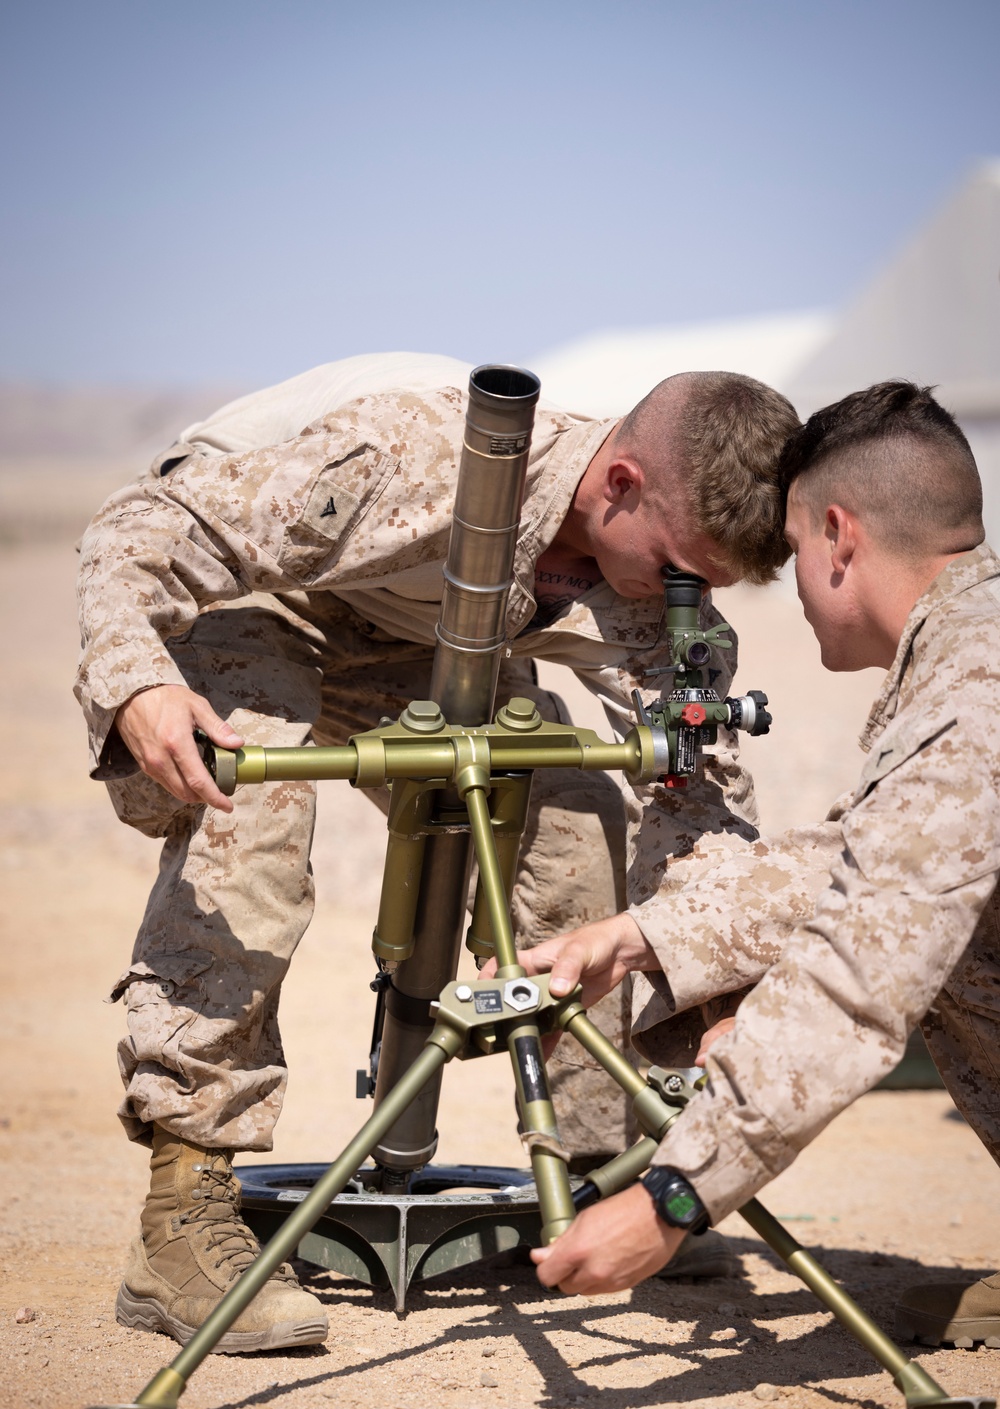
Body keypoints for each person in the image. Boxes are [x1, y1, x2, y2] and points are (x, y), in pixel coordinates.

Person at [75, 351, 799, 1350]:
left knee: (573, 802)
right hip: (256, 593)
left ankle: (608, 1170)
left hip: (415, 636)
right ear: (621, 485)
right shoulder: (408, 452)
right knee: (262, 781)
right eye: (676, 572)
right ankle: (184, 1203)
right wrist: (137, 682)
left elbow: (704, 794)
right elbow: (140, 532)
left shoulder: (658, 567)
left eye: (703, 587)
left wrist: (716, 997)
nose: (682, 603)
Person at [516, 380, 1000, 1352]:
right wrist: (647, 935)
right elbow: (859, 857)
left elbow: (862, 965)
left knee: (928, 950)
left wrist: (671, 1197)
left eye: (786, 551)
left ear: (836, 536)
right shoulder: (968, 643)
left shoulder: (971, 688)